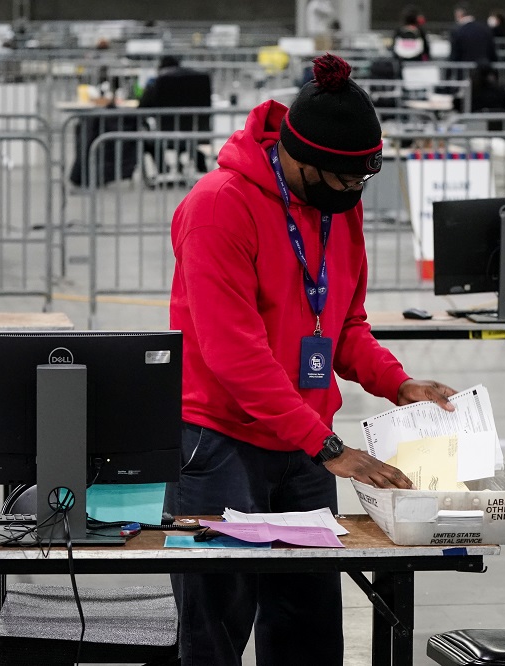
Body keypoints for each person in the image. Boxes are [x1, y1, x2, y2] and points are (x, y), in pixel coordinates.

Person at [166, 53, 457, 666]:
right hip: (221, 443)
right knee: (214, 630)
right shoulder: (219, 206)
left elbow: (343, 323)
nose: (352, 194)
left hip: (301, 446)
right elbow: (234, 356)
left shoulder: (335, 212)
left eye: (361, 182)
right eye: (342, 179)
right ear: (297, 159)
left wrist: (397, 385)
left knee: (307, 627)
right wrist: (330, 449)